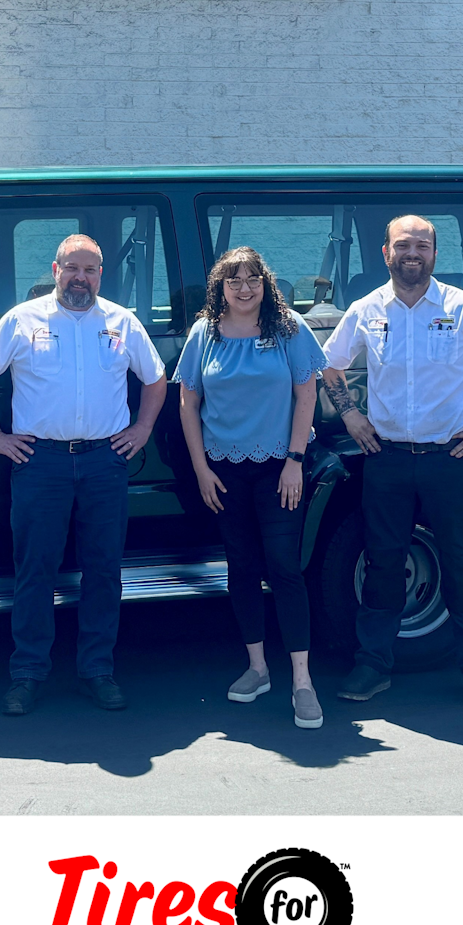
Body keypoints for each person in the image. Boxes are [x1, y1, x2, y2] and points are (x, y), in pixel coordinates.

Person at [0, 234, 167, 716]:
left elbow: (156, 380)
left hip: (104, 463)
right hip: (40, 464)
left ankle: (98, 669)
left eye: (90, 270)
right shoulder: (22, 319)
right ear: (55, 269)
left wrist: (141, 429)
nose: (81, 277)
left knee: (103, 570)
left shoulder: (121, 322)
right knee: (35, 570)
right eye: (72, 268)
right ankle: (27, 673)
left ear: (101, 275)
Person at [175, 248, 328, 729]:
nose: (244, 289)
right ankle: (258, 668)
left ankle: (302, 681)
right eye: (234, 281)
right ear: (220, 287)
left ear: (267, 285)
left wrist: (295, 462)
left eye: (253, 280)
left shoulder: (288, 330)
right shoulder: (204, 334)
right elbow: (187, 401)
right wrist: (201, 470)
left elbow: (308, 393)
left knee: (285, 569)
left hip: (278, 470)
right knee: (240, 568)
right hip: (224, 472)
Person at [321, 215, 463, 703]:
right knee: (384, 563)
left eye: (422, 245)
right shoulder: (367, 310)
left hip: (451, 457)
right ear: (386, 253)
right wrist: (352, 419)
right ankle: (373, 666)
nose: (413, 253)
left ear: (434, 255)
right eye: (403, 244)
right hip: (385, 459)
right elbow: (330, 364)